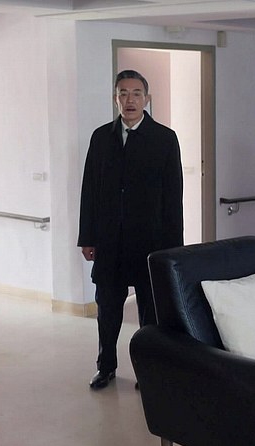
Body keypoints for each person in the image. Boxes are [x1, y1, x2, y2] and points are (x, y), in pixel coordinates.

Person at [78, 69, 184, 390]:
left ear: (147, 99)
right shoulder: (101, 138)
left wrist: (173, 249)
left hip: (149, 242)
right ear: (115, 99)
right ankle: (105, 366)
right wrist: (87, 237)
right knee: (107, 309)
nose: (130, 100)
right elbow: (89, 190)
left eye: (136, 93)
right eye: (123, 93)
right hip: (109, 241)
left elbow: (173, 198)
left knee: (149, 312)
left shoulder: (164, 139)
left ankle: (147, 371)